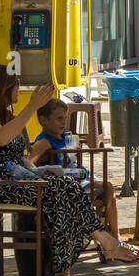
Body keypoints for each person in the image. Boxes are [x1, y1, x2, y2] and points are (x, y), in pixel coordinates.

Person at [0, 66, 139, 276]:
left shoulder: (5, 116)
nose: (19, 88)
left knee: (66, 188)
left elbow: (20, 158)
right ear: (2, 88)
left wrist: (40, 171)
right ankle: (97, 246)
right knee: (62, 195)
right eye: (16, 83)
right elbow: (1, 139)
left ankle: (68, 269)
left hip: (19, 182)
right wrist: (32, 107)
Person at [34, 98, 119, 237]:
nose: (63, 122)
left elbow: (73, 159)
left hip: (81, 176)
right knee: (108, 188)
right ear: (44, 120)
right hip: (69, 183)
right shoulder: (44, 141)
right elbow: (31, 161)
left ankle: (111, 234)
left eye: (65, 118)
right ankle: (104, 230)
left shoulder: (65, 137)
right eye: (59, 118)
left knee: (111, 196)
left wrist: (76, 151)